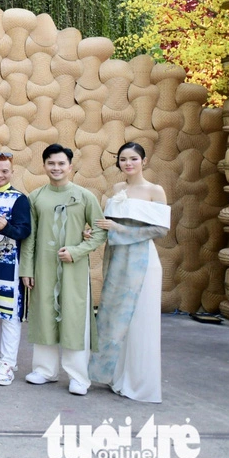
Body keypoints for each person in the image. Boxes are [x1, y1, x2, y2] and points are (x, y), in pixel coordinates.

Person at [20, 144, 106, 395]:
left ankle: (79, 377)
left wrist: (77, 251)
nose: (56, 168)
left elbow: (100, 231)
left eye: (61, 163)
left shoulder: (84, 196)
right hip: (43, 267)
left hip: (74, 270)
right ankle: (45, 371)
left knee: (74, 318)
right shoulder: (35, 197)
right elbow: (30, 238)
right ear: (44, 165)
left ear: (70, 166)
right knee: (44, 315)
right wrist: (27, 269)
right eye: (51, 163)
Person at [89, 142, 170, 403]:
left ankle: (138, 383)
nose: (128, 163)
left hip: (141, 260)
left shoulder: (154, 190)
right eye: (123, 159)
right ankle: (116, 376)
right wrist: (94, 231)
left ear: (144, 161)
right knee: (114, 315)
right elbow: (106, 222)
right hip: (116, 257)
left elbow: (160, 230)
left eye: (133, 158)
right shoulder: (117, 189)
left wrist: (120, 229)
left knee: (139, 319)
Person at [0, 152, 32, 387]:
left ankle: (8, 363)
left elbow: (24, 231)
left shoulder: (19, 199)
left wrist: (8, 227)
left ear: (12, 172)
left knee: (9, 314)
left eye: (4, 171)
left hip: (9, 264)